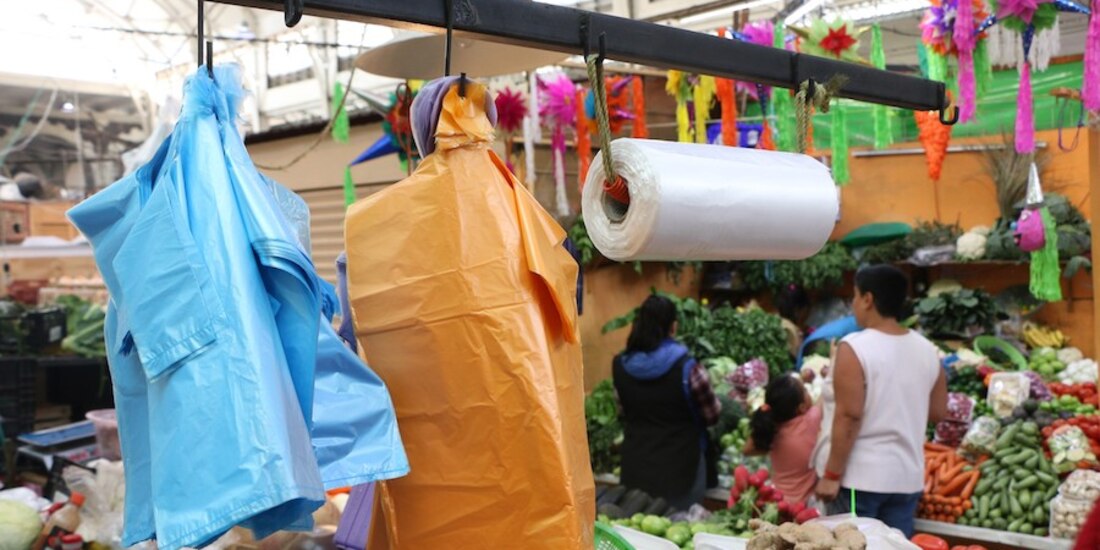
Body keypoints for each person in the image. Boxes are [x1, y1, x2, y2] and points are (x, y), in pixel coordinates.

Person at [812, 265, 947, 537]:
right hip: (906, 479)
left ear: (868, 300)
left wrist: (831, 475)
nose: (852, 304)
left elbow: (848, 416)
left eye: (854, 296)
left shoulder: (855, 347)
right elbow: (938, 411)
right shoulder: (927, 350)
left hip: (859, 479)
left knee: (850, 543)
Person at [613, 295, 721, 510]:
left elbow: (622, 410)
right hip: (682, 469)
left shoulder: (620, 365)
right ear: (673, 327)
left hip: (636, 465)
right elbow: (712, 414)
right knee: (678, 532)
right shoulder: (689, 368)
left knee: (638, 531)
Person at [743, 375, 822, 505]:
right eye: (805, 390)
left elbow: (747, 449)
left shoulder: (771, 429)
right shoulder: (810, 421)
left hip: (776, 502)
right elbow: (825, 396)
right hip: (802, 507)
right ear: (801, 407)